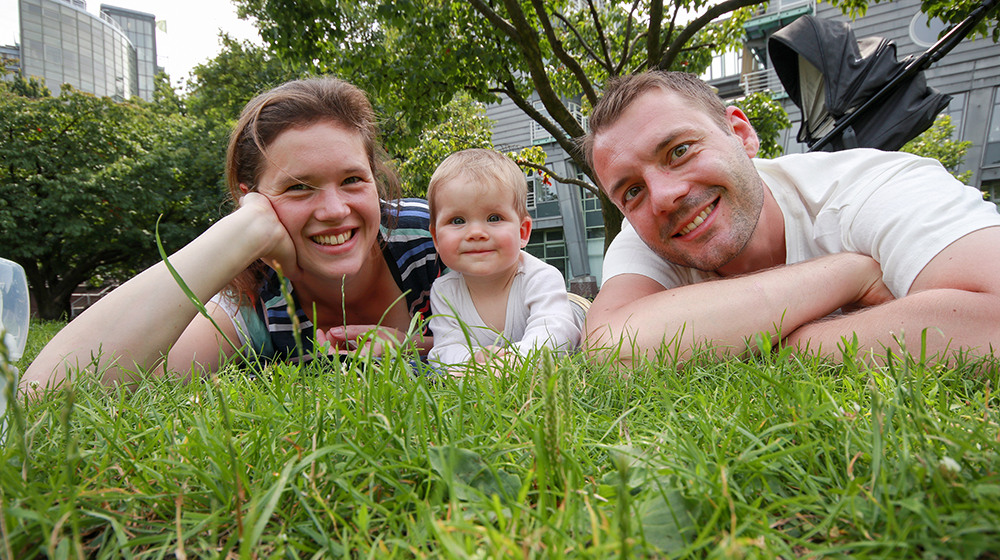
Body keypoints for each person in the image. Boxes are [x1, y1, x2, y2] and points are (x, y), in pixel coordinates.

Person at [22, 78, 440, 390]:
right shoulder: (253, 300)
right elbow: (50, 394)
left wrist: (415, 346)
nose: (334, 210)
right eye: (298, 186)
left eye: (352, 179)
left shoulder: (436, 239)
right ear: (250, 198)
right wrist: (244, 230)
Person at [583, 70, 1000, 363]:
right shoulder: (644, 235)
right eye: (632, 191)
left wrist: (785, 344)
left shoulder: (870, 185)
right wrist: (847, 274)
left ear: (741, 135)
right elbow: (610, 349)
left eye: (679, 150)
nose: (664, 197)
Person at [426, 149, 581, 370]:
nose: (476, 233)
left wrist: (513, 360)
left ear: (523, 231)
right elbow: (444, 350)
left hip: (572, 313)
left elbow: (556, 333)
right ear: (436, 238)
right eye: (458, 220)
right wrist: (473, 361)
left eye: (494, 218)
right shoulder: (444, 292)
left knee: (583, 323)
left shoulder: (541, 277)